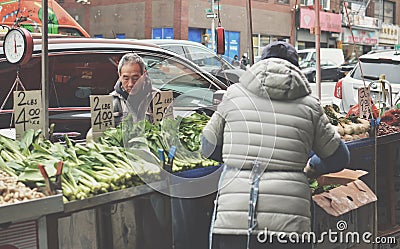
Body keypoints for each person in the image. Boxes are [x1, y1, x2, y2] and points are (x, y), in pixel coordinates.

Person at [201, 41, 350, 249]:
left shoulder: (234, 95)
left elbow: (206, 145)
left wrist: (235, 160)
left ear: (261, 63)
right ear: (296, 68)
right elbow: (339, 157)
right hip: (288, 225)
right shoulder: (310, 106)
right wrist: (311, 167)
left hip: (235, 220)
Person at [111, 52, 154, 126]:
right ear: (119, 76)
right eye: (126, 78)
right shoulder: (111, 101)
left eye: (135, 78)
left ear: (143, 75)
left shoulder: (156, 98)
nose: (131, 84)